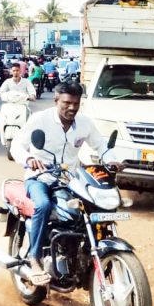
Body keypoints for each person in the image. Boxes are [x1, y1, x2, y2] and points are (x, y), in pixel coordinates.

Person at [10, 81, 119, 284]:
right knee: (42, 205)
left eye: (76, 104)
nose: (71, 108)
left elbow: (101, 145)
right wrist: (28, 159)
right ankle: (35, 258)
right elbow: (17, 145)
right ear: (56, 100)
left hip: (69, 180)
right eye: (66, 103)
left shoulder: (84, 123)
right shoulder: (39, 120)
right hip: (40, 178)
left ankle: (80, 253)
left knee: (85, 209)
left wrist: (111, 159)